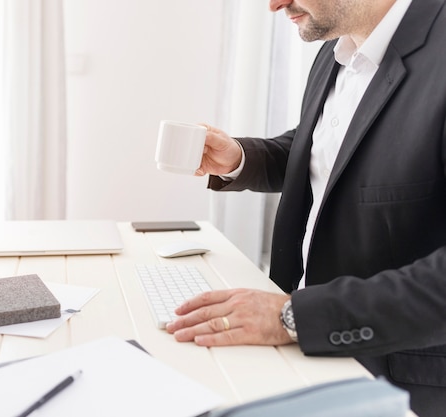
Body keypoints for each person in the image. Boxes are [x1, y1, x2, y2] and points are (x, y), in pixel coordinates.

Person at [164, 0, 446, 415]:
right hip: (309, 352)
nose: (274, 4)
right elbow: (330, 148)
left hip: (402, 380)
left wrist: (292, 317)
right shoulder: (337, 50)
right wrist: (241, 157)